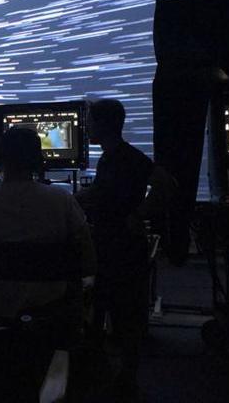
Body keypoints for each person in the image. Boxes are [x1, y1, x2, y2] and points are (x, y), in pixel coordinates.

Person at [75, 98, 175, 398]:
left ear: (104, 125)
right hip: (117, 245)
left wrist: (138, 215)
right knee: (119, 312)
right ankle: (117, 379)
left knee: (119, 313)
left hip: (120, 247)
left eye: (90, 122)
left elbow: (166, 184)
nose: (86, 128)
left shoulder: (123, 156)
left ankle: (117, 380)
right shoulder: (117, 157)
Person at [0, 127, 96, 321]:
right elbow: (88, 261)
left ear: (0, 159)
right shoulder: (61, 200)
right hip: (51, 311)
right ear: (38, 160)